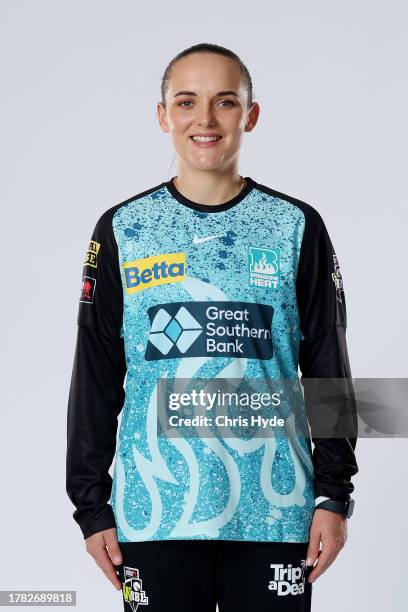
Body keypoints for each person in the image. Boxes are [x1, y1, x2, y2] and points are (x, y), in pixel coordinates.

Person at [66, 42, 359, 612]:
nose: (205, 119)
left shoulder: (296, 226)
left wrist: (335, 494)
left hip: (279, 515)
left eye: (225, 102)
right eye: (186, 101)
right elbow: (95, 375)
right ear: (162, 116)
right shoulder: (123, 229)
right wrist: (91, 506)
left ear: (250, 115)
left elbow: (329, 365)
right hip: (155, 516)